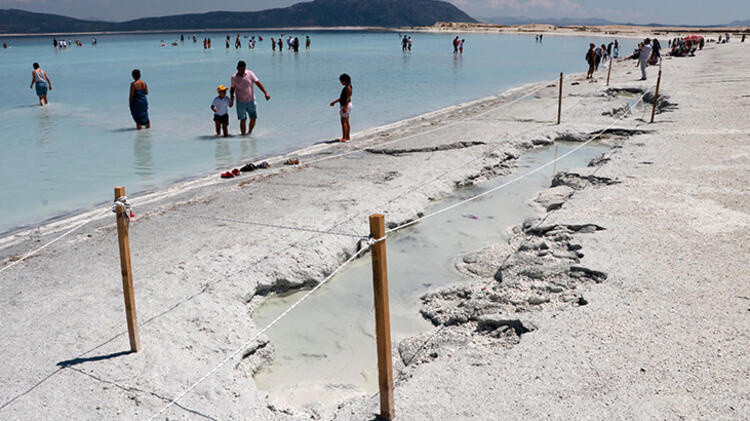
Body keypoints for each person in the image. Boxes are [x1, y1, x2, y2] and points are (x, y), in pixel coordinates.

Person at [230, 60, 270, 136]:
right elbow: (232, 89)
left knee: (253, 118)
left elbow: (258, 83)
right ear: (237, 68)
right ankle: (243, 136)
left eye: (243, 69)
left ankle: (249, 133)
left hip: (251, 100)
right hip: (240, 102)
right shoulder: (234, 77)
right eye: (240, 69)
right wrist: (231, 99)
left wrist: (266, 93)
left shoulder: (250, 73)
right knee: (243, 119)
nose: (242, 71)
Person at [329, 73, 352, 142]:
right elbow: (342, 98)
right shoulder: (348, 87)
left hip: (346, 105)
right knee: (346, 121)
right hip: (347, 105)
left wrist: (345, 107)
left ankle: (344, 137)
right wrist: (334, 102)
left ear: (345, 81)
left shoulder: (348, 88)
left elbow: (348, 98)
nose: (341, 83)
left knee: (343, 122)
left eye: (341, 81)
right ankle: (347, 136)